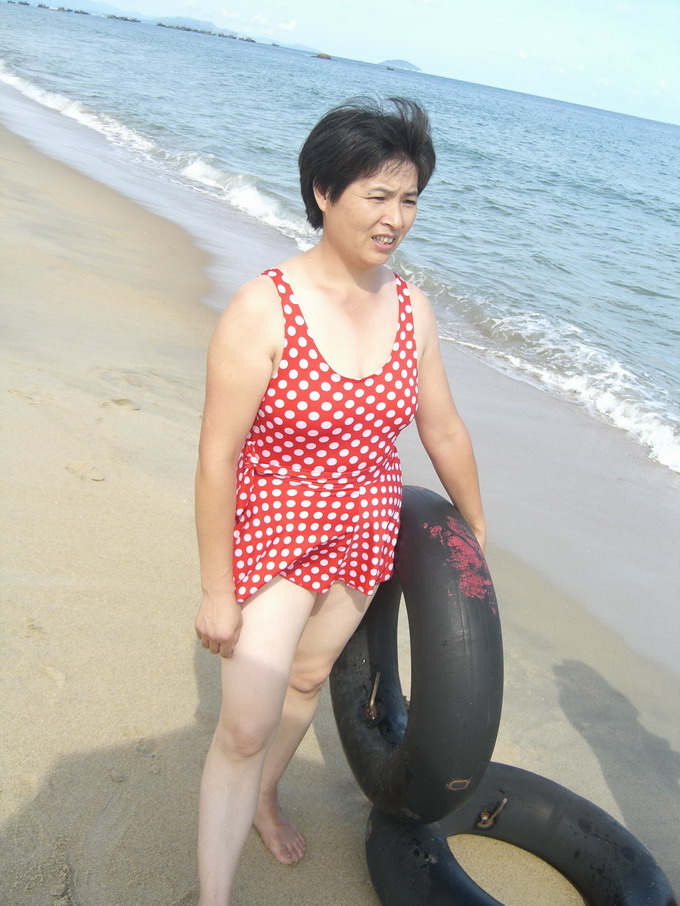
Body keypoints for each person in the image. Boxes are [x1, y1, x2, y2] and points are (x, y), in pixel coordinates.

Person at [194, 96, 486, 905]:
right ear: (323, 192)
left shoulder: (413, 309)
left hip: (367, 527)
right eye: (377, 195)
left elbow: (443, 428)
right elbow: (217, 459)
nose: (396, 218)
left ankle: (264, 797)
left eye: (410, 198)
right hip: (279, 528)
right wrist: (217, 591)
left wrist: (475, 532)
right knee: (244, 724)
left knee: (308, 678)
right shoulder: (264, 308)